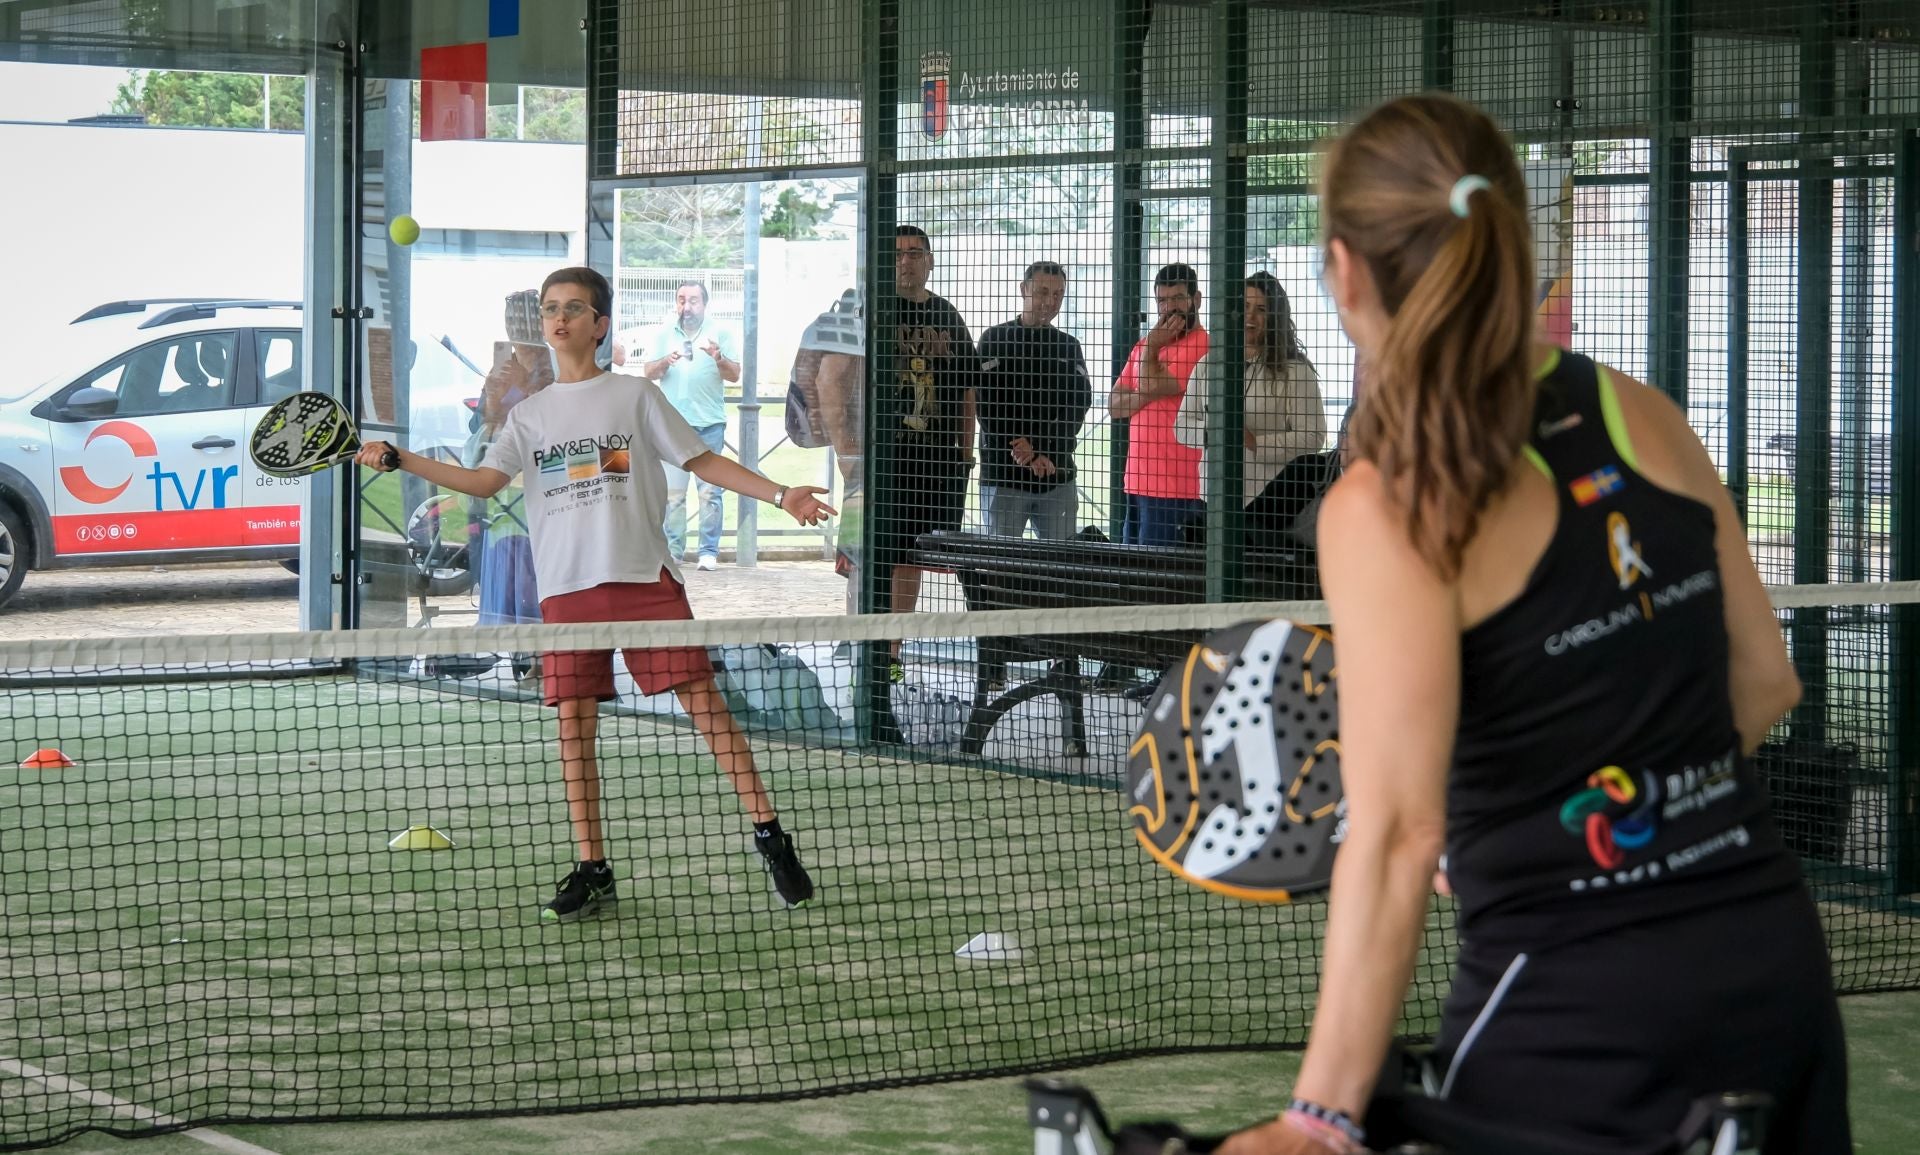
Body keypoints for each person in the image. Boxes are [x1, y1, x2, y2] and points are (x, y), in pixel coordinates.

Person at [1218, 95, 1848, 1154]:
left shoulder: (1385, 503)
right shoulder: (1636, 410)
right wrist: (1601, 804)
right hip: (1773, 969)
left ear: (1344, 272)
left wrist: (1318, 1117)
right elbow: (1766, 682)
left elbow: (1399, 831)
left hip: (1574, 1008)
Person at [356, 266, 835, 921]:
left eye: (574, 308)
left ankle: (771, 837)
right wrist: (401, 457)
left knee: (708, 710)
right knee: (573, 727)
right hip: (567, 589)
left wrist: (783, 493)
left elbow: (702, 460)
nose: (559, 317)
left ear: (599, 324)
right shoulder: (528, 416)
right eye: (551, 307)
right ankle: (593, 866)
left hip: (643, 578)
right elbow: (481, 482)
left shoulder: (635, 397)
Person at [875, 225, 980, 675]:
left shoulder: (948, 316)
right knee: (871, 556)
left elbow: (968, 392)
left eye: (915, 253)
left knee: (911, 559)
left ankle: (893, 653)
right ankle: (867, 649)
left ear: (930, 261)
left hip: (934, 460)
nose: (906, 261)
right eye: (897, 253)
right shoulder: (874, 309)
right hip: (883, 461)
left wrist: (965, 453)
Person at [1173, 272, 1328, 548]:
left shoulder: (1296, 371)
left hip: (1269, 508)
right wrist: (1212, 433)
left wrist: (1254, 442)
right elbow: (1182, 425)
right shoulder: (1208, 365)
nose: (1250, 317)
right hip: (1212, 498)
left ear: (1275, 317)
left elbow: (1313, 437)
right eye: (1244, 307)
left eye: (1261, 309)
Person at [626, 281, 742, 571]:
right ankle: (675, 552)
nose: (686, 306)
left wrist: (718, 358)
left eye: (692, 301)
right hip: (671, 426)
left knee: (710, 492)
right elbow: (648, 372)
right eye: (681, 300)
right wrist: (666, 360)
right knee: (673, 494)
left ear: (704, 304)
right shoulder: (665, 333)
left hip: (709, 424)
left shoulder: (721, 333)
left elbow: (734, 375)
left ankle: (708, 552)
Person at [976, 260, 1091, 540]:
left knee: (1059, 570)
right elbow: (986, 404)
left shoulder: (1069, 346)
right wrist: (1023, 450)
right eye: (1042, 292)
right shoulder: (994, 339)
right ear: (1023, 290)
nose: (1050, 302)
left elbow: (1078, 406)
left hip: (1055, 475)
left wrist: (1043, 450)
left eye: (1058, 294)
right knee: (1000, 570)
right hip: (1004, 477)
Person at [1109, 263, 1209, 546]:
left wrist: (1152, 349)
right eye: (1162, 301)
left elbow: (1151, 385)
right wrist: (1150, 362)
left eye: (1177, 298)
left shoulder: (1203, 345)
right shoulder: (1145, 344)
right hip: (1137, 482)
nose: (1169, 308)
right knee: (1132, 574)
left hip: (1178, 487)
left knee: (1160, 579)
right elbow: (1114, 405)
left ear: (1196, 300)